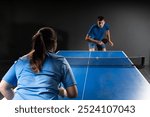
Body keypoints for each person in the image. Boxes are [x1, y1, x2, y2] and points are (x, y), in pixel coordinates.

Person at [0, 27, 78, 100]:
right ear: (54, 43)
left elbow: (3, 87)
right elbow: (72, 94)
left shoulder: (21, 61)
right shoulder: (61, 62)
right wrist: (61, 91)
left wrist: (17, 102)